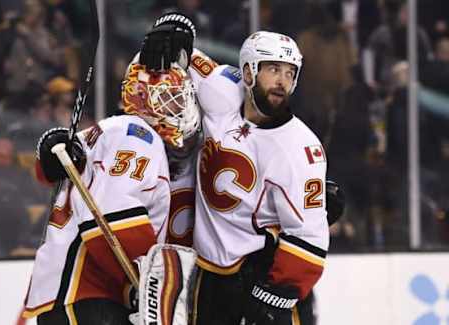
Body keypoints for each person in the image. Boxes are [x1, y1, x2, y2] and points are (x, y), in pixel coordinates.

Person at [140, 17, 329, 325]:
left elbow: (310, 236)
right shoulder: (222, 90)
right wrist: (177, 31)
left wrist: (275, 295)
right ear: (248, 73)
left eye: (289, 73)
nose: (282, 81)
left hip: (261, 270)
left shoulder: (301, 148)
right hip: (209, 274)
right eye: (272, 69)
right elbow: (183, 57)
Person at [23, 64, 200, 324]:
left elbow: (47, 169)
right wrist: (149, 283)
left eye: (179, 97)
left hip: (79, 296)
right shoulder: (138, 135)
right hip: (89, 293)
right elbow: (113, 216)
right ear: (140, 96)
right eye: (166, 97)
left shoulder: (113, 130)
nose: (178, 107)